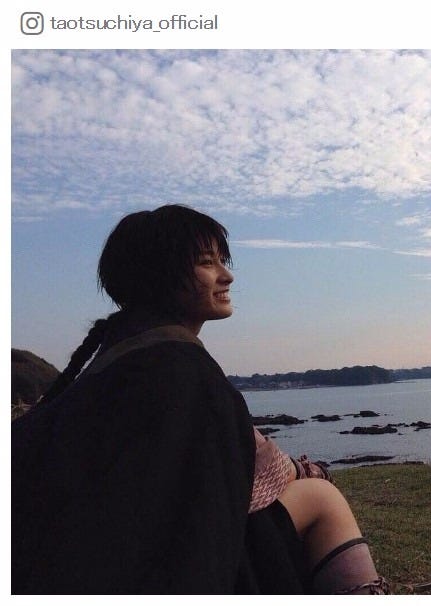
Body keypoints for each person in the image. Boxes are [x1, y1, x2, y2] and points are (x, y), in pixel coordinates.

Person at [11, 204, 388, 595]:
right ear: (158, 273)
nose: (227, 275)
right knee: (322, 498)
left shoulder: (111, 363)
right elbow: (245, 477)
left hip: (90, 563)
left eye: (223, 261)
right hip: (166, 571)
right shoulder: (180, 369)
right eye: (208, 263)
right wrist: (307, 472)